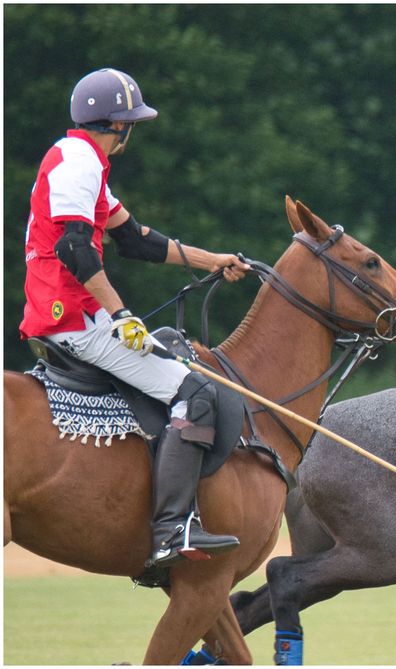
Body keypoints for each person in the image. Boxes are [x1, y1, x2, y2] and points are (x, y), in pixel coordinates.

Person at [19, 68, 253, 570]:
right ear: (120, 127)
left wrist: (212, 260)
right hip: (75, 316)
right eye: (132, 124)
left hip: (71, 312)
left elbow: (137, 240)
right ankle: (172, 529)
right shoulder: (76, 162)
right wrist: (120, 313)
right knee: (196, 393)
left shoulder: (87, 165)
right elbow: (74, 248)